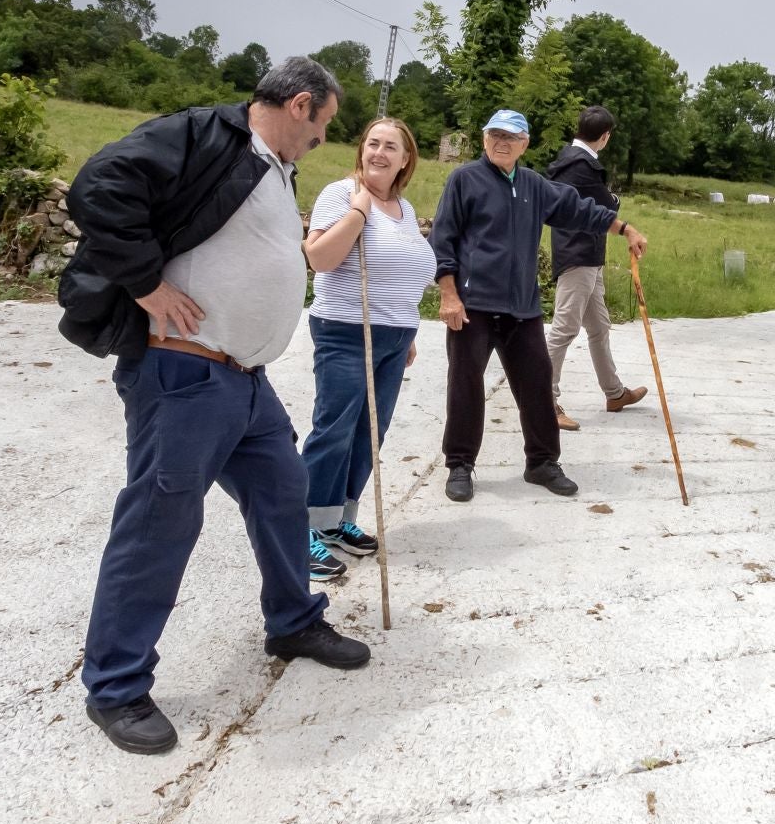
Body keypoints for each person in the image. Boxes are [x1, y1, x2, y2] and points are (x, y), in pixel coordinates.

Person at [57, 58, 371, 756]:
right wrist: (145, 287)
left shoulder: (270, 164)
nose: (322, 141)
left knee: (285, 495)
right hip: (185, 373)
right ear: (299, 105)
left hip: (246, 381)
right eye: (322, 127)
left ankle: (293, 620)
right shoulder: (206, 136)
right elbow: (100, 185)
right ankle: (115, 686)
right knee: (160, 523)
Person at [431, 109, 649, 501]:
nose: (502, 142)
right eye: (495, 134)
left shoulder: (534, 185)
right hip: (473, 306)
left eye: (510, 137)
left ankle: (542, 462)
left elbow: (578, 209)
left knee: (536, 385)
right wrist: (449, 293)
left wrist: (624, 227)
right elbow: (443, 238)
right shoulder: (465, 179)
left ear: (524, 144)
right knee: (465, 387)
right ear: (484, 139)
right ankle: (460, 464)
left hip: (522, 308)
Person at [299, 117, 437, 581]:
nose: (379, 152)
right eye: (372, 143)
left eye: (390, 146)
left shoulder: (403, 205)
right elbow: (319, 258)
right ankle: (302, 531)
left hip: (394, 337)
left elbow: (401, 274)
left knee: (368, 433)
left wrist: (408, 329)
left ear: (405, 159)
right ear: (361, 151)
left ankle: (337, 521)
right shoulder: (342, 194)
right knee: (333, 428)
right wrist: (358, 213)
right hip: (345, 328)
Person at [544, 105, 648, 432]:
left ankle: (614, 393)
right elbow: (606, 206)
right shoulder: (581, 166)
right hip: (578, 255)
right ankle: (545, 399)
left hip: (586, 254)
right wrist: (615, 203)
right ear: (605, 136)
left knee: (599, 327)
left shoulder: (569, 159)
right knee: (564, 329)